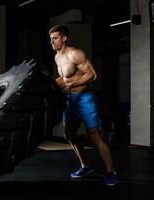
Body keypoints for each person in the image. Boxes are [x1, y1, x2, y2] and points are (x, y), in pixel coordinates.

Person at [48, 25, 118, 186]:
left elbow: (92, 75)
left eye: (55, 38)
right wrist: (52, 83)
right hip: (70, 101)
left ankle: (112, 172)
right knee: (69, 134)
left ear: (64, 38)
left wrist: (72, 85)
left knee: (94, 136)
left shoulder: (75, 53)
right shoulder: (57, 57)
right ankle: (86, 166)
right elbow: (64, 78)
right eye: (51, 39)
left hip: (85, 99)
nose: (52, 41)